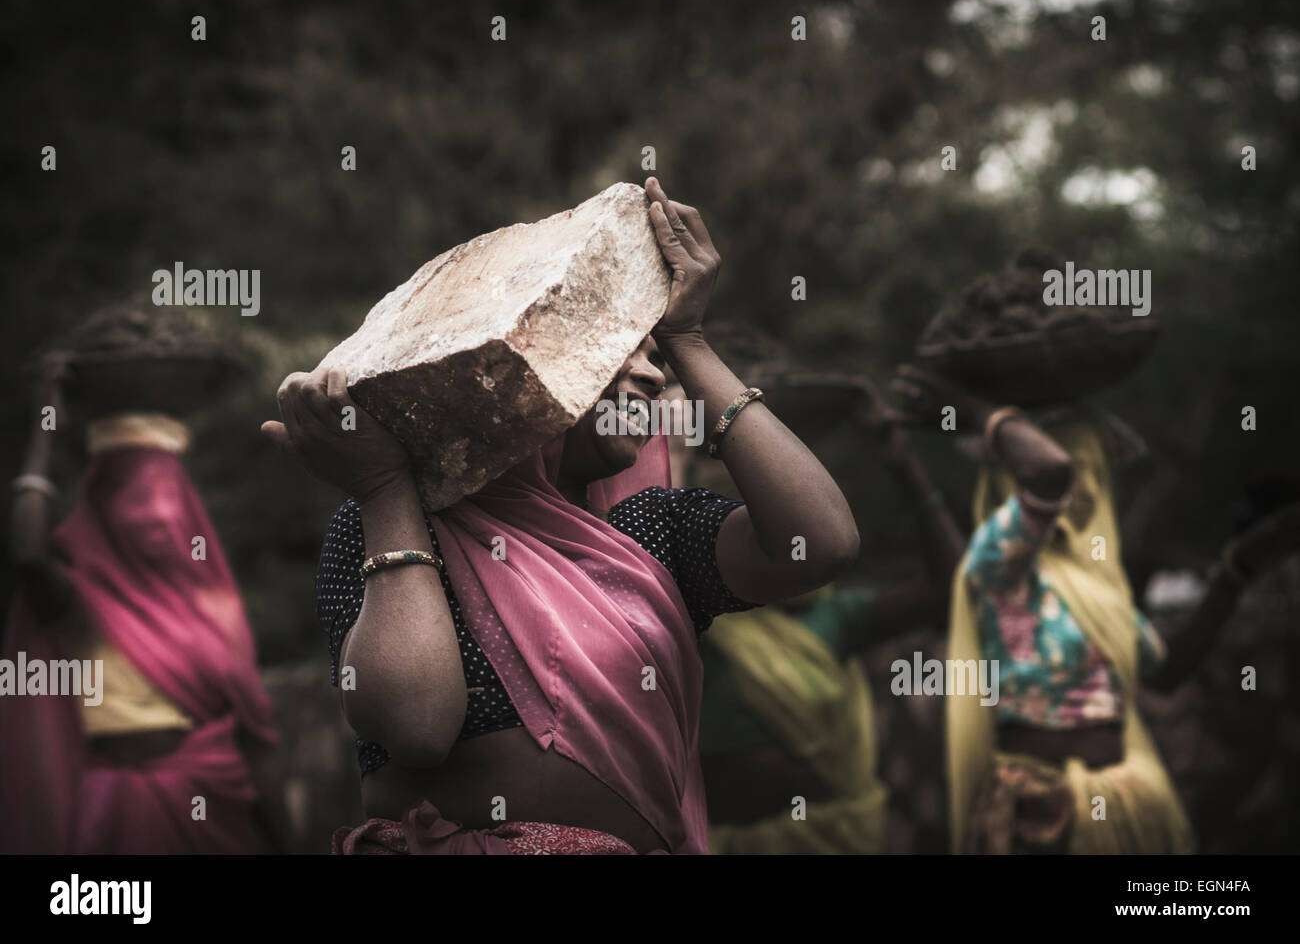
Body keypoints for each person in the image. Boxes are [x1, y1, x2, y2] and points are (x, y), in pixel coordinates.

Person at [263, 177, 861, 854]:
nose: (651, 376)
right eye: (620, 350)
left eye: (655, 356)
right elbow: (418, 726)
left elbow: (823, 543)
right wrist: (382, 490)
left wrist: (690, 339)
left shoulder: (647, 534)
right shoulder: (397, 522)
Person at [893, 364, 1300, 853]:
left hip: (1123, 803)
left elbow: (1164, 672)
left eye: (1093, 471)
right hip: (1040, 818)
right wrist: (986, 416)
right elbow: (1049, 475)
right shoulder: (1000, 563)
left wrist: (1234, 574)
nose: (1084, 484)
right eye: (1078, 467)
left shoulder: (1097, 586)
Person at [1, 351, 284, 854]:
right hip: (113, 812)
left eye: (164, 492)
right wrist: (45, 425)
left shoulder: (213, 607)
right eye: (132, 492)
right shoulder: (79, 601)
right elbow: (28, 556)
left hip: (210, 804)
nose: (152, 509)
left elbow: (255, 745)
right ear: (101, 509)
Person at [695, 375, 966, 853]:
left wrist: (904, 467)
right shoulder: (686, 607)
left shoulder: (833, 616)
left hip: (832, 836)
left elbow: (950, 588)